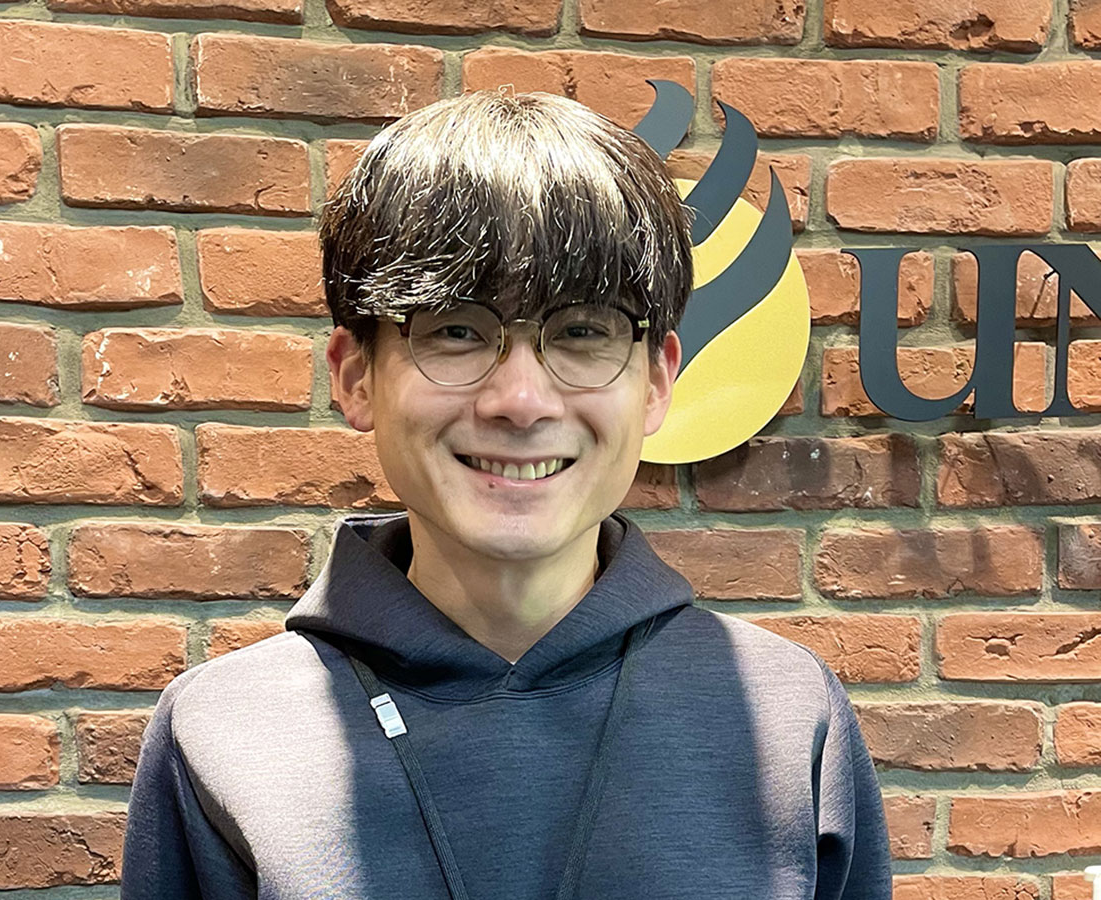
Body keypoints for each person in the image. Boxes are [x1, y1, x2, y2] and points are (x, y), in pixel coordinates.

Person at [120, 89, 893, 900]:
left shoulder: (789, 717)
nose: (521, 401)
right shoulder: (220, 730)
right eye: (456, 330)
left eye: (583, 332)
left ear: (657, 381)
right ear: (355, 376)